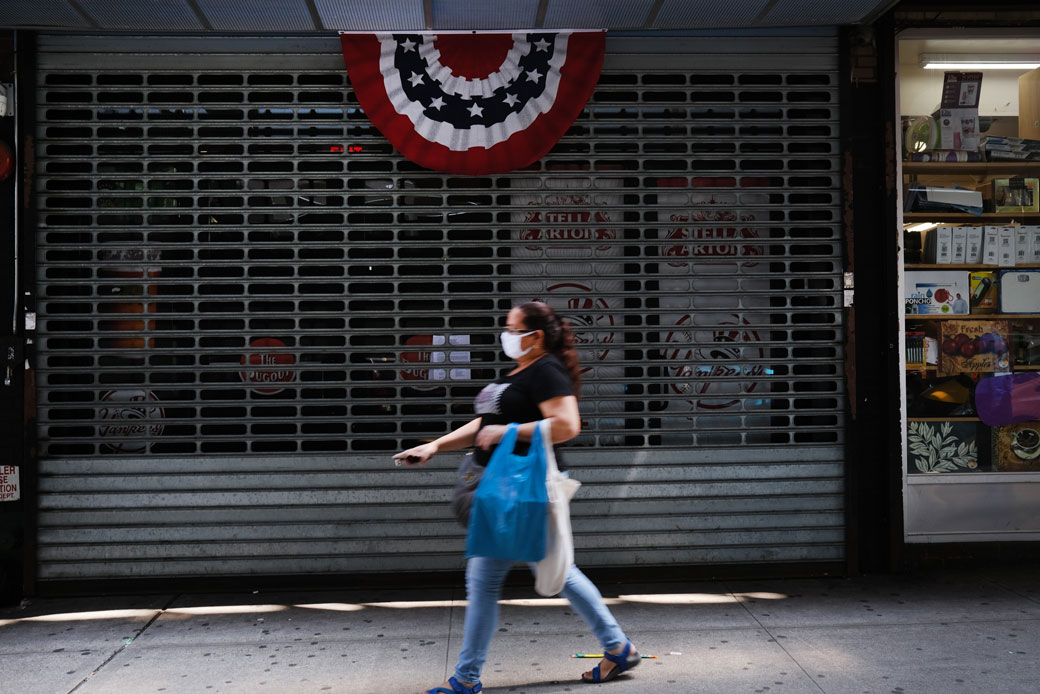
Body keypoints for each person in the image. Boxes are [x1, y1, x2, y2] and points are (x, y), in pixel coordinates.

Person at [394, 301, 640, 694]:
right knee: (557, 572)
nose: (506, 336)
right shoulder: (521, 371)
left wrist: (510, 433)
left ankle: (466, 678)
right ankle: (618, 647)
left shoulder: (546, 371)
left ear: (535, 335)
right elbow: (486, 423)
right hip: (503, 488)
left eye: (513, 328)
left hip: (521, 489)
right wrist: (436, 446)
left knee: (490, 579)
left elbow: (567, 425)